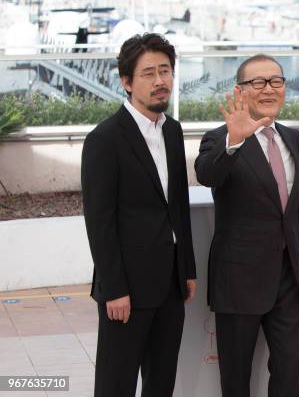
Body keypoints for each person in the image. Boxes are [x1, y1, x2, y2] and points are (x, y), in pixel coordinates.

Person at [81, 33, 197, 397]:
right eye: (149, 73)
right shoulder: (105, 139)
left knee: (161, 382)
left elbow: (178, 207)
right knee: (116, 383)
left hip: (170, 285)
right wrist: (114, 289)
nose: (160, 81)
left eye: (165, 71)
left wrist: (187, 269)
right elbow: (100, 221)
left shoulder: (173, 132)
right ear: (127, 82)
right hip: (126, 290)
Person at [194, 54, 299, 397]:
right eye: (258, 82)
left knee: (290, 373)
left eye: (276, 81)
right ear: (240, 91)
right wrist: (235, 141)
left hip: (288, 278)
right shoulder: (220, 138)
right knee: (236, 379)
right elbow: (207, 174)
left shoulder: (293, 138)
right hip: (239, 280)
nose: (269, 89)